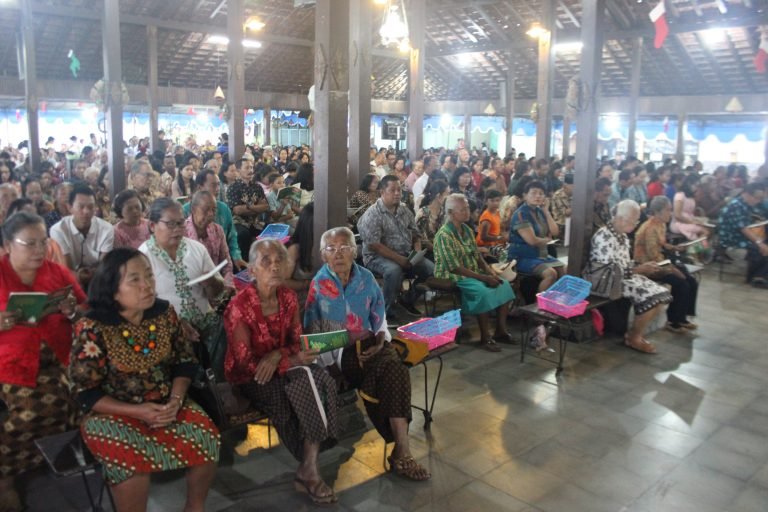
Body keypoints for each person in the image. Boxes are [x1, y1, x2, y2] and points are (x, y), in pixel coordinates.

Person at [70, 249, 220, 512]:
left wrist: (175, 400)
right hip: (111, 412)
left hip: (166, 403)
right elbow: (86, 393)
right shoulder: (92, 327)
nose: (147, 285)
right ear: (113, 289)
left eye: (149, 276)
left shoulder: (164, 313)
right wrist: (138, 411)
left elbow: (184, 362)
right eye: (135, 280)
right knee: (131, 464)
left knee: (206, 436)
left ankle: (194, 508)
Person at [304, 227, 431, 481]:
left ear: (355, 251)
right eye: (331, 249)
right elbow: (312, 337)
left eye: (344, 247)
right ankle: (401, 451)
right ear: (322, 255)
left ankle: (401, 449)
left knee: (389, 367)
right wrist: (333, 363)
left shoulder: (366, 279)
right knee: (393, 368)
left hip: (372, 347)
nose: (338, 253)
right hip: (340, 355)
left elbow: (379, 318)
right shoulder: (318, 286)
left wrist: (381, 336)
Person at [224, 239, 339, 505]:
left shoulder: (287, 298)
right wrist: (288, 361)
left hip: (281, 365)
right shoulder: (239, 307)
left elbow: (295, 341)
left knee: (322, 379)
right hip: (249, 378)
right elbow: (245, 364)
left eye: (280, 261)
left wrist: (279, 356)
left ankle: (308, 467)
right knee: (284, 394)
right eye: (266, 261)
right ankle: (308, 466)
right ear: (252, 270)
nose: (275, 266)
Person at [0, 212, 85, 511]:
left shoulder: (56, 272)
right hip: (13, 365)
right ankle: (6, 476)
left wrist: (71, 311)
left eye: (43, 242)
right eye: (30, 243)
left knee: (76, 402)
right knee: (33, 410)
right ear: (9, 245)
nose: (39, 250)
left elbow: (83, 309)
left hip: (61, 357)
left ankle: (48, 458)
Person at [434, 194, 514, 352]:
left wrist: (490, 272)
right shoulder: (444, 235)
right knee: (482, 291)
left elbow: (477, 256)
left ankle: (501, 330)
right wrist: (483, 277)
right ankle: (485, 337)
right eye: (462, 209)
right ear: (450, 213)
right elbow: (454, 267)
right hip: (452, 275)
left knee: (503, 284)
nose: (467, 212)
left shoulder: (467, 230)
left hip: (471, 272)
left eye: (468, 208)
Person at [590, 200, 672, 354]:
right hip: (607, 282)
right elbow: (608, 271)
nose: (636, 225)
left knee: (661, 293)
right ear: (620, 219)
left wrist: (643, 267)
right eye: (634, 221)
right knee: (652, 296)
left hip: (623, 278)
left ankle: (635, 334)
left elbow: (624, 263)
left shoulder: (622, 235)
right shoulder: (604, 236)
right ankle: (634, 337)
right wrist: (639, 270)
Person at [357, 175, 434, 321]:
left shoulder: (404, 210)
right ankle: (387, 310)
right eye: (392, 190)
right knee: (394, 270)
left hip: (405, 254)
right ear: (382, 192)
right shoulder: (373, 214)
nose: (397, 193)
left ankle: (407, 299)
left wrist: (416, 251)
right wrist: (400, 260)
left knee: (430, 270)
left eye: (399, 190)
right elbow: (375, 245)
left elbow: (415, 233)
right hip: (377, 257)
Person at [634, 196, 699, 332]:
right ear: (657, 212)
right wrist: (672, 269)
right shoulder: (650, 228)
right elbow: (653, 256)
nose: (671, 213)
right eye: (668, 210)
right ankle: (673, 321)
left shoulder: (661, 224)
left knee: (691, 281)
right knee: (682, 283)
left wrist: (674, 248)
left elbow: (661, 245)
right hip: (648, 266)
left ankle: (681, 318)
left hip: (661, 261)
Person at [50, 185, 115, 289]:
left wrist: (93, 273)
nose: (86, 211)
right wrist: (78, 276)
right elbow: (66, 267)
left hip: (98, 276)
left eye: (90, 207)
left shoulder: (107, 229)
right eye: (81, 207)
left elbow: (105, 263)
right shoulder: (58, 230)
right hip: (70, 279)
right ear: (70, 207)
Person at [507, 180, 566, 292]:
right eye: (534, 193)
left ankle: (556, 301)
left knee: (565, 270)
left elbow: (555, 232)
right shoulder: (521, 214)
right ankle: (538, 307)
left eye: (541, 193)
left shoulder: (539, 211)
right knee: (550, 274)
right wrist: (547, 240)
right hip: (522, 257)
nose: (538, 196)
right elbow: (532, 241)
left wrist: (546, 211)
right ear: (525, 196)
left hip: (540, 255)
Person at [183, 170, 246, 270]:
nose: (217, 189)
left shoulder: (224, 208)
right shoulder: (186, 210)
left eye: (218, 185)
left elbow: (232, 235)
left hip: (221, 260)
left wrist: (236, 255)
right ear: (200, 188)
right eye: (213, 185)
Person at [718, 182, 768, 287]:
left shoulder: (745, 204)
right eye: (756, 198)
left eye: (760, 198)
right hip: (732, 240)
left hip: (740, 237)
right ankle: (758, 277)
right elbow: (744, 229)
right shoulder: (736, 205)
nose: (758, 201)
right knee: (761, 247)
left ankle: (759, 276)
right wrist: (760, 243)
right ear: (747, 194)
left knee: (763, 243)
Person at [184, 191, 234, 284]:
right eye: (206, 209)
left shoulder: (218, 230)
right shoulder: (182, 234)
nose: (211, 214)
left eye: (214, 210)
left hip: (217, 285)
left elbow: (226, 264)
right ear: (193, 209)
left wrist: (227, 284)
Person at [227, 158, 269, 261]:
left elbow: (265, 206)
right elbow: (237, 210)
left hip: (256, 221)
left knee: (269, 230)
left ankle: (263, 264)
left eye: (251, 167)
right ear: (238, 170)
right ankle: (244, 267)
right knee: (243, 234)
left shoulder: (257, 187)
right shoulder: (233, 187)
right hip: (239, 222)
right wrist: (256, 208)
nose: (250, 170)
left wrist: (249, 207)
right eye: (246, 168)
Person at [670, 174, 710, 240]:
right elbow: (677, 215)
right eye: (695, 185)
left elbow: (690, 214)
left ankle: (697, 246)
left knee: (706, 227)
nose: (697, 188)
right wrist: (691, 222)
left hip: (687, 221)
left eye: (698, 186)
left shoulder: (690, 196)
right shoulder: (680, 195)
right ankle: (697, 247)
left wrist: (697, 220)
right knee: (705, 231)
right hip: (678, 224)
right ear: (689, 184)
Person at [415, 180, 449, 254]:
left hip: (442, 250)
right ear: (438, 196)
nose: (449, 197)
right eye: (447, 194)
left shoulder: (444, 212)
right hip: (428, 252)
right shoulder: (423, 214)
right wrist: (442, 252)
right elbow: (423, 241)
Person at [476, 189, 508, 261]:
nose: (495, 203)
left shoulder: (497, 213)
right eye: (492, 201)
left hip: (494, 244)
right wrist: (499, 238)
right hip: (485, 246)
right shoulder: (486, 217)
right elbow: (484, 237)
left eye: (497, 200)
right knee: (505, 256)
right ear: (486, 202)